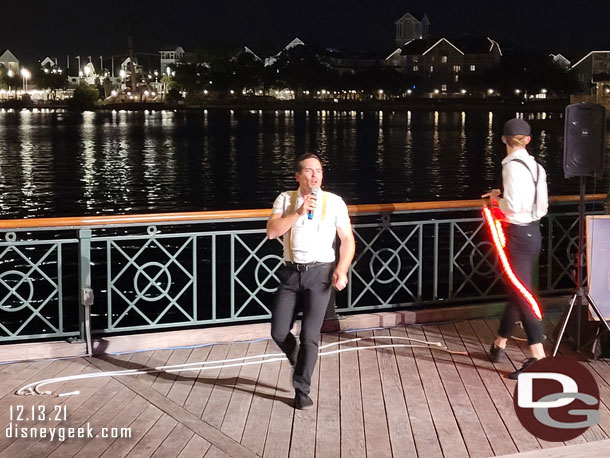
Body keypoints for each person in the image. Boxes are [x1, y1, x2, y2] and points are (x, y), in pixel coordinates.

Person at [267, 153, 355, 409]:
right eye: (309, 171)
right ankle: (298, 359)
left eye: (318, 171)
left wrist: (342, 268)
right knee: (279, 331)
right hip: (291, 273)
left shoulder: (335, 202)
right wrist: (299, 211)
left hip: (320, 274)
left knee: (310, 336)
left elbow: (347, 239)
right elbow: (272, 232)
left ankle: (301, 390)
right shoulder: (285, 199)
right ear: (298, 176)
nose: (315, 175)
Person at [482, 118, 549, 379]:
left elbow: (510, 206)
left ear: (503, 140)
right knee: (518, 290)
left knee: (522, 294)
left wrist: (496, 199)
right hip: (534, 233)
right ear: (528, 140)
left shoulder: (510, 167)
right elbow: (541, 206)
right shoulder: (537, 167)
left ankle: (538, 356)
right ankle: (499, 345)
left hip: (518, 235)